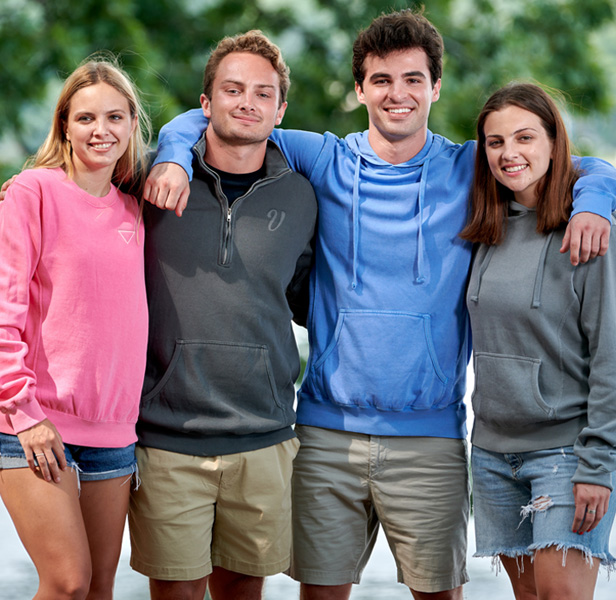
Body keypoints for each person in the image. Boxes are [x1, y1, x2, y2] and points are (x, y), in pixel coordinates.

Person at [144, 9, 616, 600]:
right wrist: (170, 155)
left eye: (413, 79)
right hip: (324, 430)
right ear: (360, 88)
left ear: (435, 87)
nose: (398, 94)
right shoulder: (322, 158)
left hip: (433, 435)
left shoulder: (470, 167)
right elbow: (222, 116)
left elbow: (577, 162)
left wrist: (596, 201)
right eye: (382, 80)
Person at [127, 31, 317, 600]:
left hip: (263, 432)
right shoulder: (149, 183)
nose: (247, 102)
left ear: (280, 110)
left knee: (243, 589)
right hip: (166, 435)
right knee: (178, 592)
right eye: (232, 89)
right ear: (204, 104)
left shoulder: (303, 196)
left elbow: (309, 296)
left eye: (263, 93)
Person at [0, 56, 150, 600]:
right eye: (85, 118)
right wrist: (24, 413)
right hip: (37, 427)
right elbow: (4, 309)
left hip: (114, 435)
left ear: (133, 124)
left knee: (100, 590)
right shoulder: (31, 193)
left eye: (115, 117)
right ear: (64, 123)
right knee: (66, 583)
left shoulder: (136, 210)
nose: (101, 131)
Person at [461, 82, 616, 600]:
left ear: (554, 141)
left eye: (525, 137)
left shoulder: (589, 231)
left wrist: (599, 464)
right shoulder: (488, 225)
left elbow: (611, 357)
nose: (510, 154)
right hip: (492, 452)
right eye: (495, 141)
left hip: (566, 454)